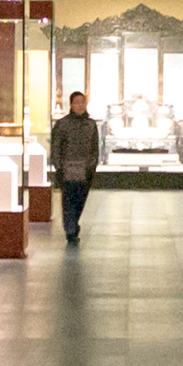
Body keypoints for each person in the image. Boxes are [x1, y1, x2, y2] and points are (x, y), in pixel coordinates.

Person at [49, 87, 103, 246]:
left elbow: (94, 147)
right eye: (76, 103)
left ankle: (74, 225)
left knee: (80, 200)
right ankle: (70, 230)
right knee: (68, 201)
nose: (80, 105)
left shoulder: (91, 124)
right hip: (67, 169)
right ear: (71, 105)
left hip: (85, 169)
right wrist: (59, 166)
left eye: (82, 102)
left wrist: (92, 164)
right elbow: (56, 147)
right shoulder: (63, 124)